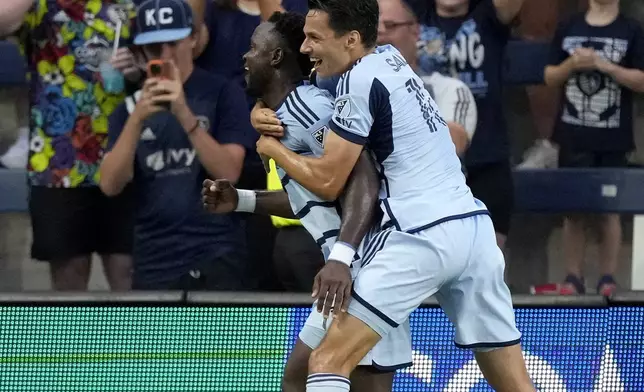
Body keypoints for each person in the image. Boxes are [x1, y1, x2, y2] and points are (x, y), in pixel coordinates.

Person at [253, 0, 535, 391]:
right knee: (514, 384)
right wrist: (260, 109)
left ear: (351, 39)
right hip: (473, 232)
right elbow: (301, 91)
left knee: (327, 361)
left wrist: (274, 150)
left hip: (418, 235)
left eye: (315, 38)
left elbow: (332, 180)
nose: (305, 48)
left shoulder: (357, 84)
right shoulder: (389, 59)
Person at [205, 12, 412, 391]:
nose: (244, 57)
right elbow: (315, 196)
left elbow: (362, 179)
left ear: (277, 58)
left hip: (364, 269)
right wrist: (242, 201)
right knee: (298, 378)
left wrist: (342, 260)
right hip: (346, 273)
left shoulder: (308, 111)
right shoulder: (285, 115)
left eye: (254, 48)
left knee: (344, 378)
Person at [100, 0, 256, 290]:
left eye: (173, 43)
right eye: (155, 48)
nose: (166, 54)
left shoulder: (222, 93)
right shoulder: (130, 109)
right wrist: (136, 121)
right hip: (154, 257)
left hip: (216, 251)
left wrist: (184, 114)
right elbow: (110, 184)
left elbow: (229, 173)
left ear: (193, 38)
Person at [0, 0, 137, 290]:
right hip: (58, 163)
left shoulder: (131, 4)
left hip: (125, 156)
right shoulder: (41, 6)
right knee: (69, 282)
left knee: (128, 273)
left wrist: (138, 68)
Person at [541, 0, 644, 295]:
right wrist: (571, 64)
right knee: (573, 210)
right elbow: (548, 76)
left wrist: (604, 65)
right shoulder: (569, 25)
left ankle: (607, 277)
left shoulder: (631, 29)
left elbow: (641, 80)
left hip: (613, 136)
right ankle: (573, 278)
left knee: (609, 210)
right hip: (572, 133)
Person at [406, 0, 525, 249]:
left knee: (488, 256)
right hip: (425, 161)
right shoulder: (414, 13)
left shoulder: (487, 16)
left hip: (485, 155)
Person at [377, 0, 476, 155]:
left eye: (390, 25)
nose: (380, 33)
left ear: (416, 32)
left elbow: (452, 144)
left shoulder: (449, 90)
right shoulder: (339, 89)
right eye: (371, 30)